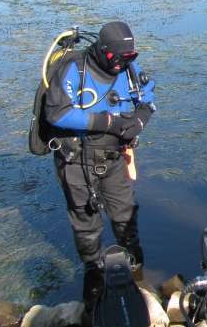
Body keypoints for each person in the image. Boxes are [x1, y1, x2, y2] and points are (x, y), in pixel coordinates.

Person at [45, 21, 155, 307]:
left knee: (126, 215)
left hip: (113, 156)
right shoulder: (74, 70)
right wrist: (106, 121)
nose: (121, 64)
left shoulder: (129, 70)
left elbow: (148, 96)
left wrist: (140, 118)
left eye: (129, 58)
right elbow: (56, 114)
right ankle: (94, 276)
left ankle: (136, 273)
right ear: (103, 51)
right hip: (76, 158)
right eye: (117, 58)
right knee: (86, 223)